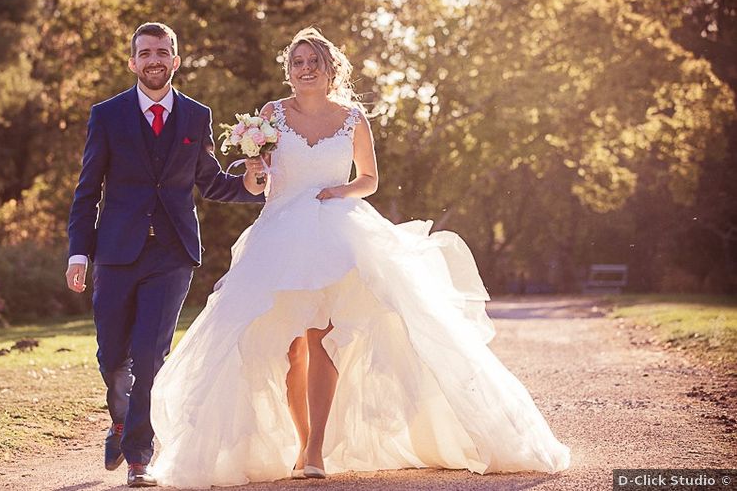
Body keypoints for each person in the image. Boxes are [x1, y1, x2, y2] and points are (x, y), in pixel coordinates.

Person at [149, 27, 571, 487]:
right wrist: (253, 172)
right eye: (297, 62)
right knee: (290, 349)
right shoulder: (270, 115)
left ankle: (315, 450)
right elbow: (261, 181)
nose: (305, 69)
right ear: (288, 71)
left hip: (336, 232)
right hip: (280, 237)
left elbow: (369, 178)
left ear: (331, 70)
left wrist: (339, 191)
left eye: (314, 62)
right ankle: (299, 439)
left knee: (321, 339)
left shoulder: (353, 119)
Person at [65, 22, 266, 488]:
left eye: (163, 52)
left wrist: (255, 186)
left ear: (176, 60)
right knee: (113, 357)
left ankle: (139, 454)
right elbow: (87, 189)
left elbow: (211, 181)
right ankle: (120, 419)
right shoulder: (107, 115)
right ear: (133, 61)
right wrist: (79, 252)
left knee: (150, 355)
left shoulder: (197, 116)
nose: (155, 59)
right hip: (115, 252)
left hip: (173, 254)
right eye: (146, 52)